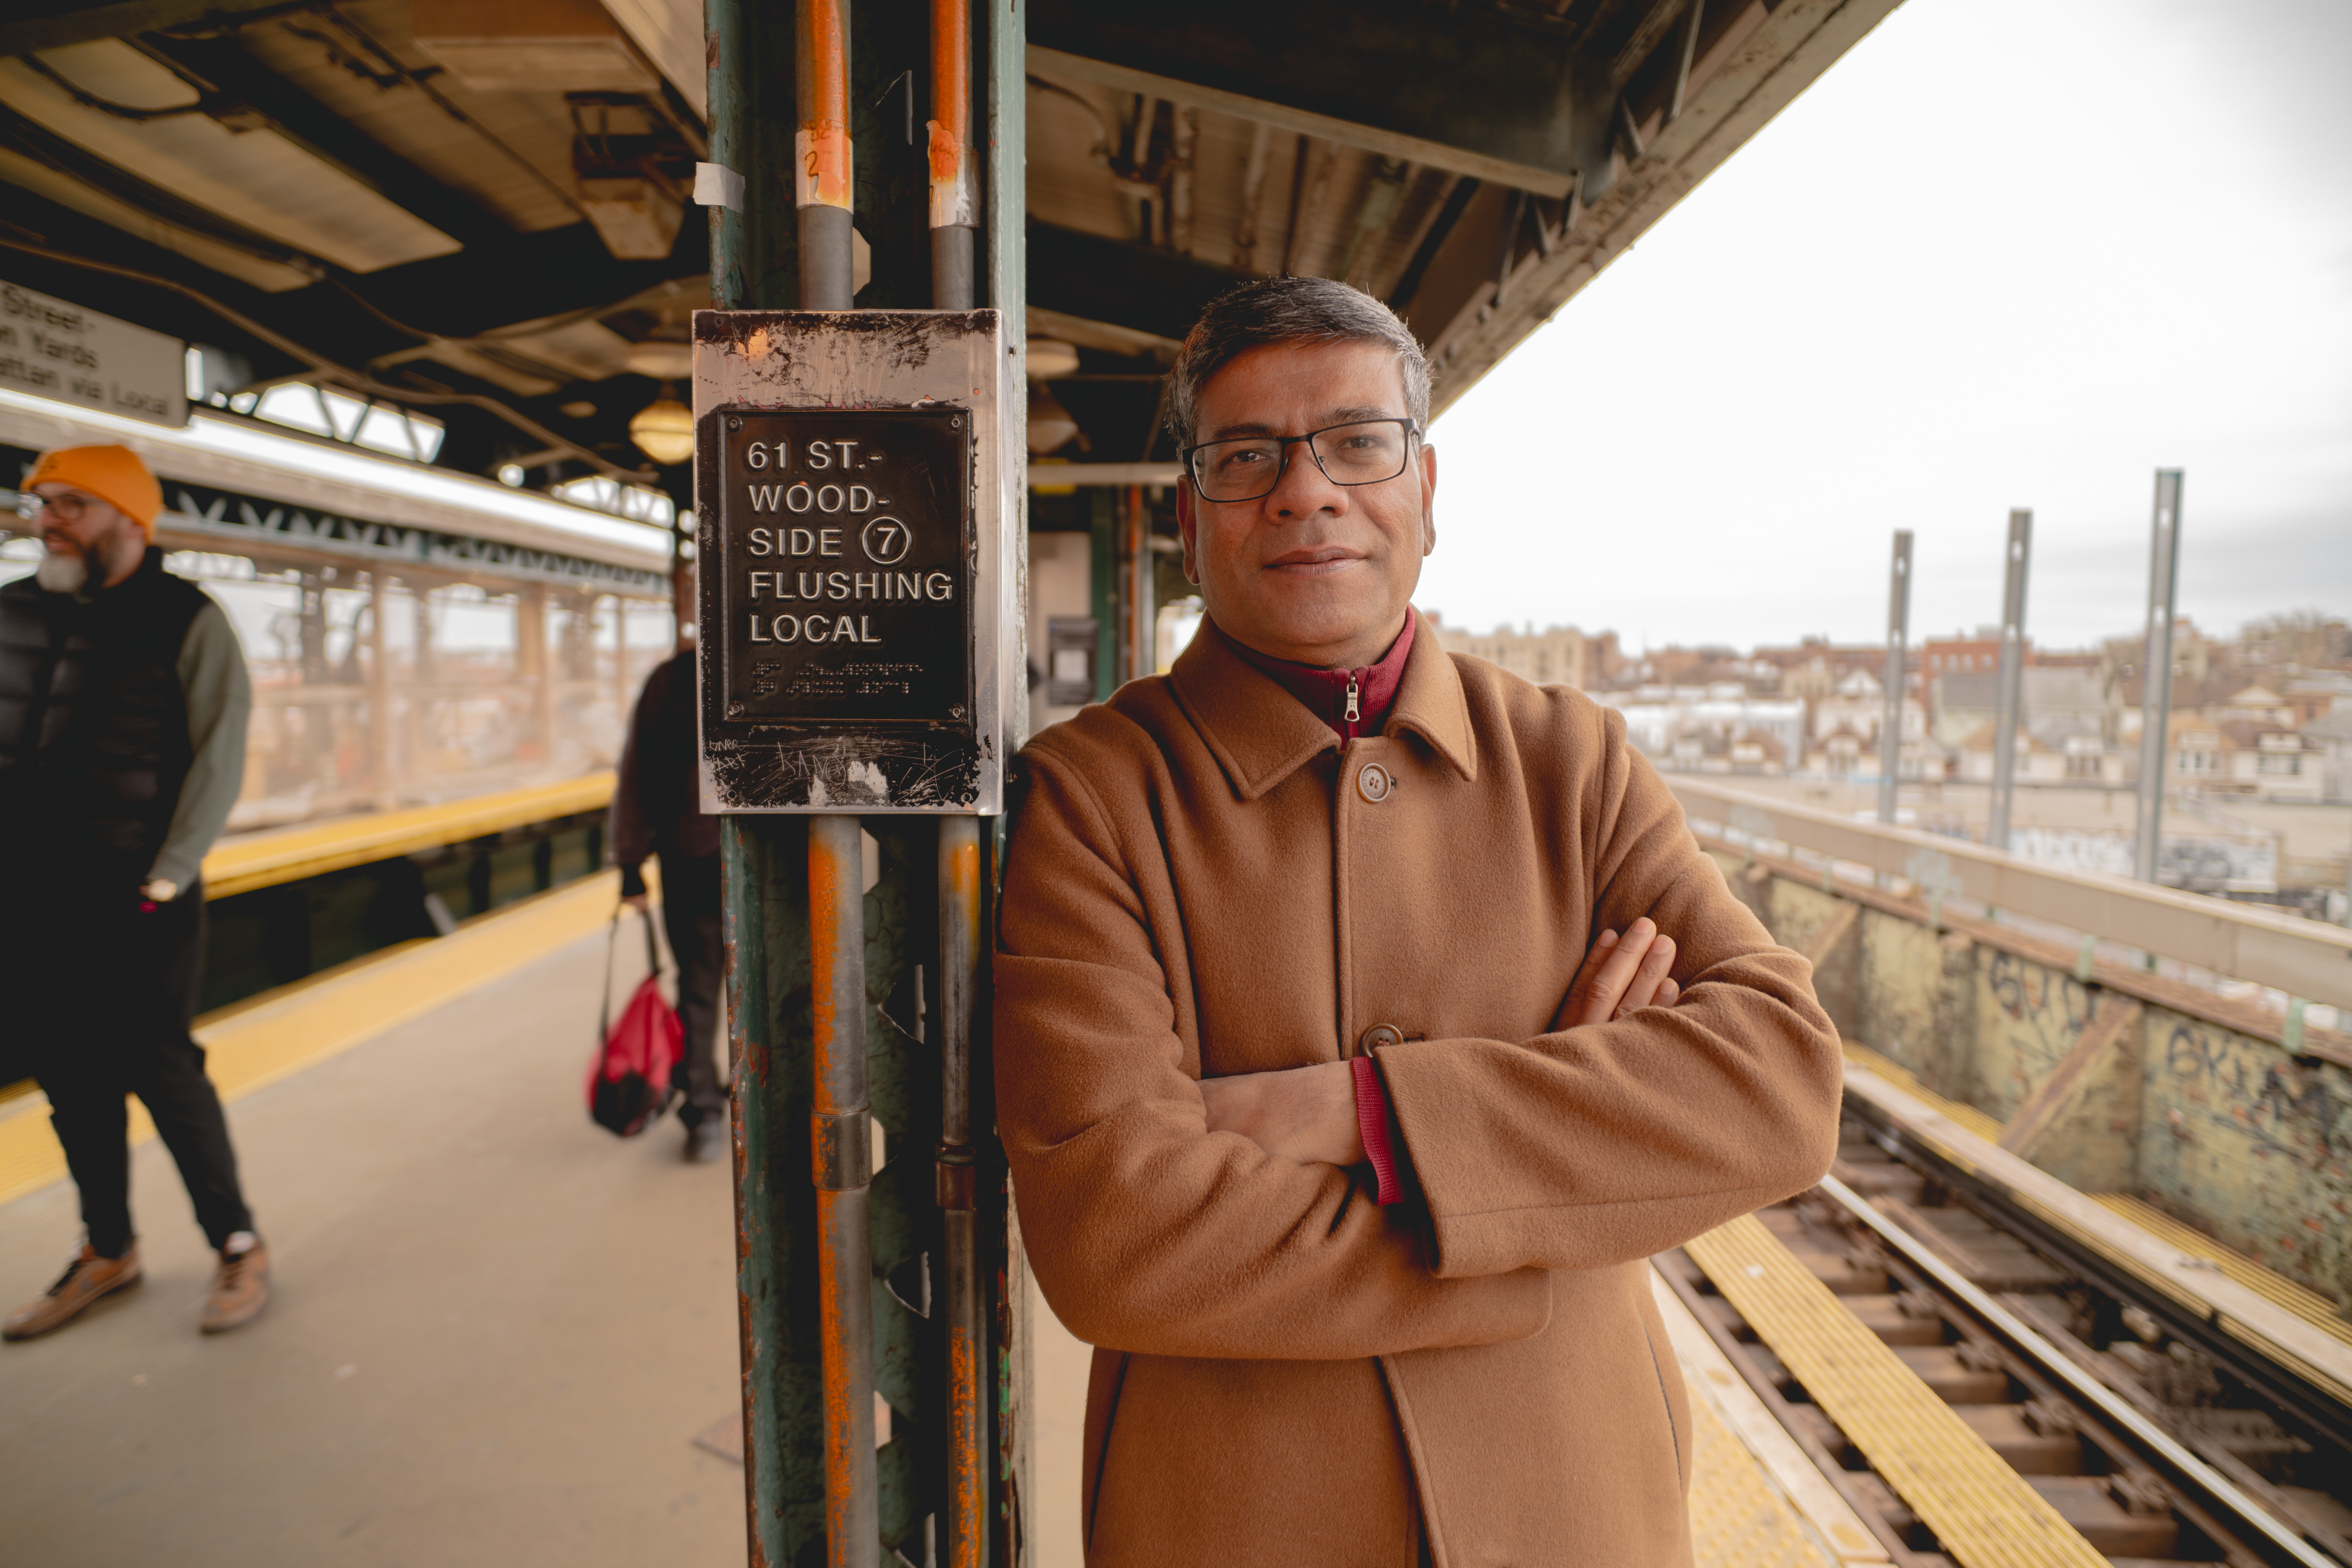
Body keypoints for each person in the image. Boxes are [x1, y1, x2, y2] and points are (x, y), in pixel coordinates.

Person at [993, 277, 1844, 1566]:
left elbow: (1781, 1087)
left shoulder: (1573, 760)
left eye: (1356, 442)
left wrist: (1361, 1115)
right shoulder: (1092, 795)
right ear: (1187, 520)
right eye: (1245, 456)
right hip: (1237, 1522)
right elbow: (1118, 1240)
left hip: (1576, 1514)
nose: (1305, 492)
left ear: (1426, 491)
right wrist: (1542, 1195)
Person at [2, 444, 269, 1341]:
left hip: (137, 892)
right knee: (71, 1076)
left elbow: (220, 747)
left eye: (69, 504)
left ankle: (237, 1241)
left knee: (161, 1067)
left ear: (128, 516)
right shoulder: (10, 611)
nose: (47, 520)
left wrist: (170, 870)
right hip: (27, 895)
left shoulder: (187, 619)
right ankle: (108, 1246)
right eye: (41, 504)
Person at [610, 638, 728, 1161]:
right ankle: (741, 1096)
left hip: (690, 855)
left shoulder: (672, 679)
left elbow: (635, 772)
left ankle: (703, 1111)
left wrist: (631, 866)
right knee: (779, 985)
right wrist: (630, 864)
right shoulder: (776, 661)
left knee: (698, 990)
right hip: (766, 859)